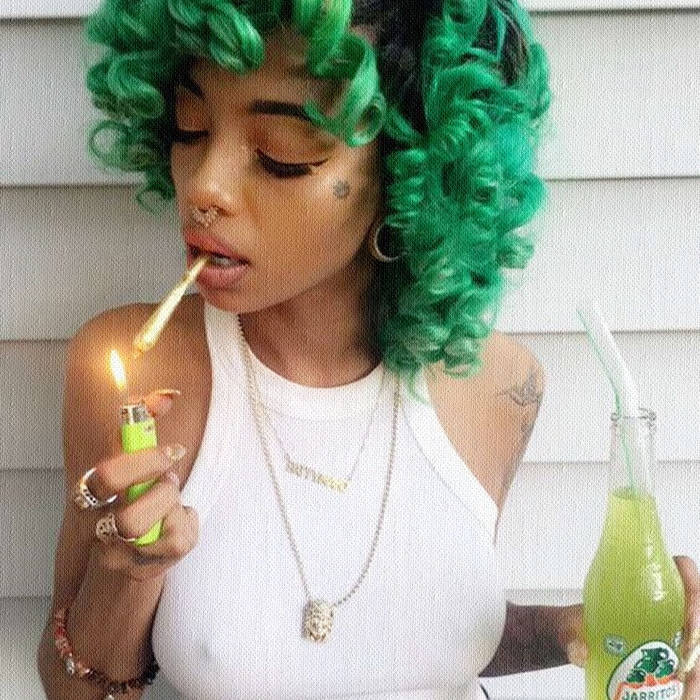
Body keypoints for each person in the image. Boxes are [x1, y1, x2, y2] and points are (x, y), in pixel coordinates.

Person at [36, 0, 700, 698]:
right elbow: (73, 688)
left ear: (409, 171)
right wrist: (125, 576)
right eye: (190, 125)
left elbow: (422, 629)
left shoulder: (500, 386)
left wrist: (577, 629)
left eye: (280, 153)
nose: (205, 186)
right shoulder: (136, 374)